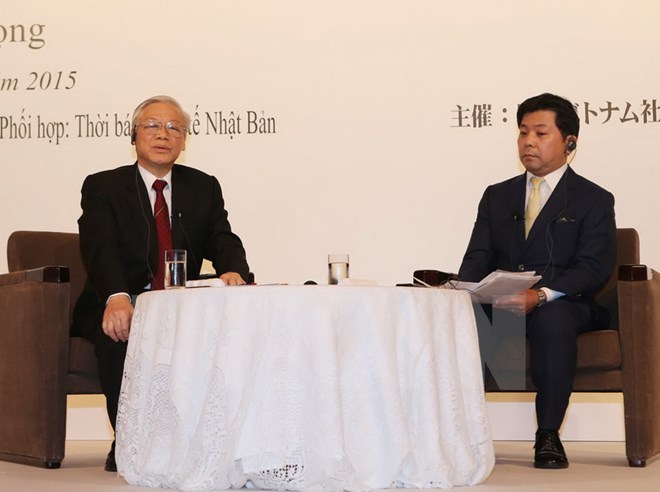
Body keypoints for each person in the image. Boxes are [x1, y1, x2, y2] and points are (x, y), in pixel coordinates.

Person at [71, 95, 249, 472]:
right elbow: (100, 248)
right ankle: (129, 441)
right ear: (133, 135)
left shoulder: (203, 186)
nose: (163, 135)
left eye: (174, 128)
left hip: (181, 305)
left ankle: (215, 442)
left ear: (184, 140)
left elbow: (222, 238)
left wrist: (234, 270)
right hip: (121, 299)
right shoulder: (104, 186)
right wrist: (117, 296)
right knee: (120, 329)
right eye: (152, 126)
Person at [458, 93, 616, 469]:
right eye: (523, 132)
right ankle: (456, 434)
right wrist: (466, 292)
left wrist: (541, 295)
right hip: (504, 303)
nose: (528, 141)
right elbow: (478, 257)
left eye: (541, 133)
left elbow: (594, 267)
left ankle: (547, 434)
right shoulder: (497, 196)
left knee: (552, 319)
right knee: (460, 319)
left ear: (569, 142)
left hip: (566, 302)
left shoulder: (593, 198)